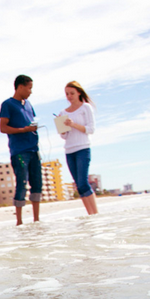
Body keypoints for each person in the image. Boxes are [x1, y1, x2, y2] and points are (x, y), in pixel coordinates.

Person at [0, 74, 41, 225]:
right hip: (19, 151)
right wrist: (24, 129)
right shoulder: (7, 104)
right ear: (20, 87)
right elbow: (3, 128)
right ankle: (19, 221)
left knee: (37, 184)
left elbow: (32, 121)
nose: (31, 91)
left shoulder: (29, 104)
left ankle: (36, 220)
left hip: (34, 149)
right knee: (21, 184)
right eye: (29, 88)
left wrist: (33, 128)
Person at [58, 80, 99, 216]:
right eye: (67, 94)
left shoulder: (85, 107)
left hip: (83, 148)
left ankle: (95, 214)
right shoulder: (63, 112)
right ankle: (90, 214)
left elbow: (90, 129)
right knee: (78, 185)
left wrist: (73, 124)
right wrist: (63, 127)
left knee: (83, 183)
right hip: (69, 151)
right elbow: (64, 136)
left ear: (79, 93)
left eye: (72, 93)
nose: (69, 96)